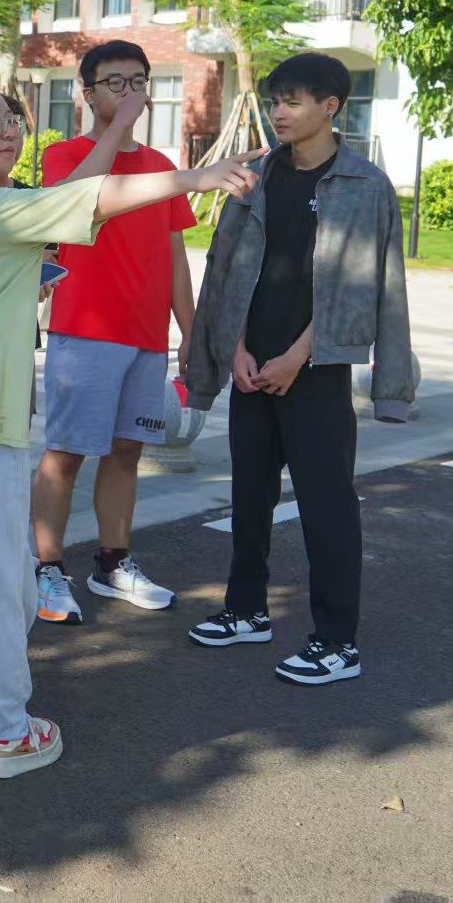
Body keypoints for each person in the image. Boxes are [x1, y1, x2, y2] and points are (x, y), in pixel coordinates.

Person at [0, 80, 261, 784]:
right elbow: (92, 197)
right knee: (2, 593)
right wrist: (196, 177)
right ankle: (6, 735)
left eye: (12, 119)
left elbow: (53, 212)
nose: (9, 130)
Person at [185, 52, 413, 686]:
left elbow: (367, 284)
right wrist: (229, 348)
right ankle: (245, 611)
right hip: (250, 364)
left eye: (293, 102)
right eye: (275, 101)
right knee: (249, 497)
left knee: (327, 507)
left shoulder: (364, 185)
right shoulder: (255, 176)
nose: (279, 113)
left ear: (330, 106)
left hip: (317, 367)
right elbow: (225, 267)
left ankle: (337, 642)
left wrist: (298, 356)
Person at [27, 43, 197, 624]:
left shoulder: (160, 165)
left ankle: (113, 561)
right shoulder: (65, 156)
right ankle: (47, 568)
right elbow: (72, 203)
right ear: (87, 92)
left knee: (128, 451)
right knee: (67, 452)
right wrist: (118, 128)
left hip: (146, 335)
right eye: (115, 83)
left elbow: (175, 256)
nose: (130, 93)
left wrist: (189, 330)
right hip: (85, 331)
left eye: (138, 82)